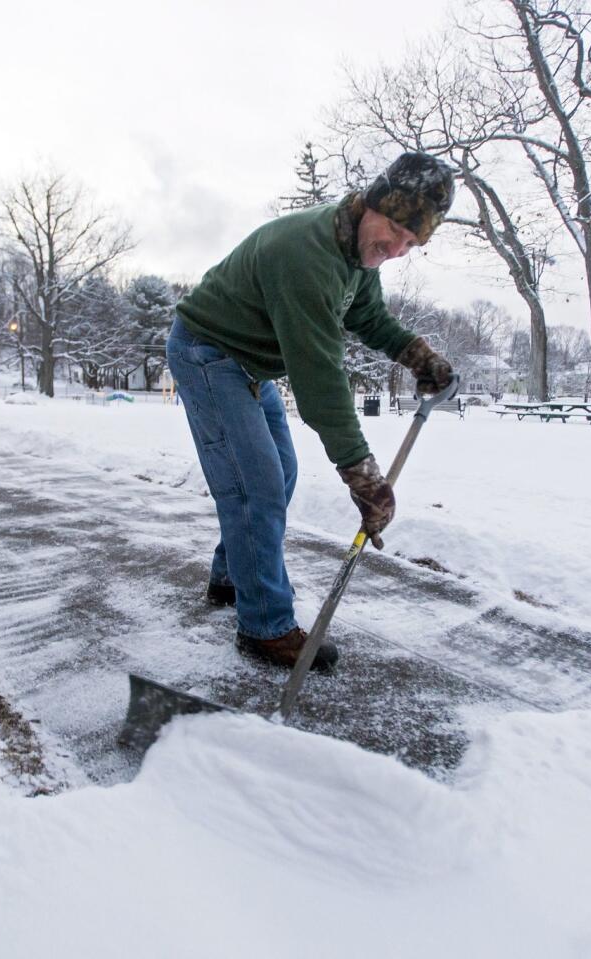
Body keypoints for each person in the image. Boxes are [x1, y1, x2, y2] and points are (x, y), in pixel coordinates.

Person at [165, 152, 457, 672]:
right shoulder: (307, 254)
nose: (395, 249)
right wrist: (362, 474)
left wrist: (418, 355)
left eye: (410, 244)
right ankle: (265, 627)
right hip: (208, 352)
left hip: (250, 362)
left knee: (282, 473)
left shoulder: (355, 253)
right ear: (372, 203)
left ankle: (234, 575)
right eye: (393, 230)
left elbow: (368, 315)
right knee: (257, 485)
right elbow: (320, 378)